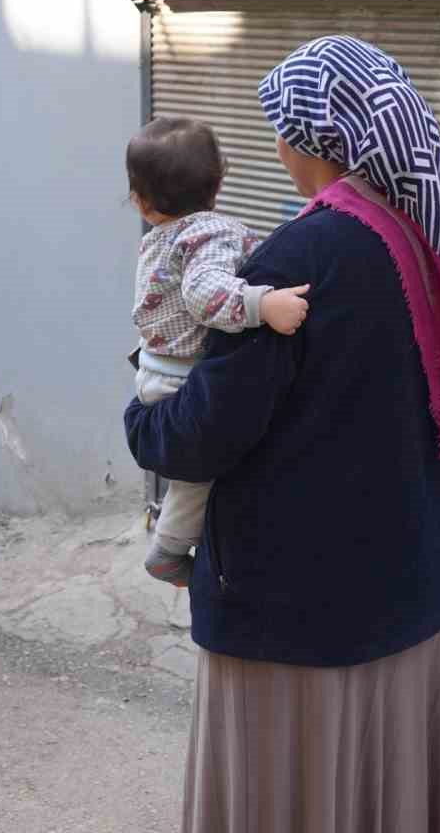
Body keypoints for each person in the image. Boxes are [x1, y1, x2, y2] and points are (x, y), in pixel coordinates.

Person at [125, 36, 440, 833]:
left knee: (289, 793)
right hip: (399, 589)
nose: (277, 143)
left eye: (280, 125)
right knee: (372, 790)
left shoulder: (300, 255)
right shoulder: (422, 239)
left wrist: (140, 416)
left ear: (312, 137)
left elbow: (198, 437)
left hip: (294, 610)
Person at [124, 116, 309, 586]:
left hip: (153, 369)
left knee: (191, 474)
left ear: (141, 202)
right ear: (220, 181)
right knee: (202, 475)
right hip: (181, 377)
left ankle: (172, 530)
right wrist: (263, 305)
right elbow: (205, 296)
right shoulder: (210, 233)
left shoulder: (158, 238)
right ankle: (167, 549)